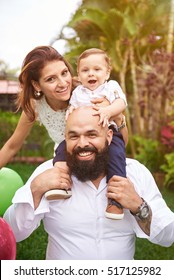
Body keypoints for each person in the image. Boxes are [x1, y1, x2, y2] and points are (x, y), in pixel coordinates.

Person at [3, 106, 174, 260]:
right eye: (74, 136)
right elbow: (12, 233)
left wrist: (138, 205)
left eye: (91, 134)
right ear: (65, 138)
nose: (83, 143)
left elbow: (168, 236)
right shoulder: (48, 172)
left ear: (109, 136)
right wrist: (35, 191)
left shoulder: (135, 173)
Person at [53, 48, 128, 220]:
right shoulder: (79, 92)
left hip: (108, 130)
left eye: (97, 69)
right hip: (82, 134)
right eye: (85, 71)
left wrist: (108, 111)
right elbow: (73, 107)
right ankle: (61, 183)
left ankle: (115, 200)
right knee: (62, 148)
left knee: (116, 156)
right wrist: (71, 110)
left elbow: (121, 103)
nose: (91, 74)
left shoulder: (110, 87)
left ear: (107, 72)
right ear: (78, 75)